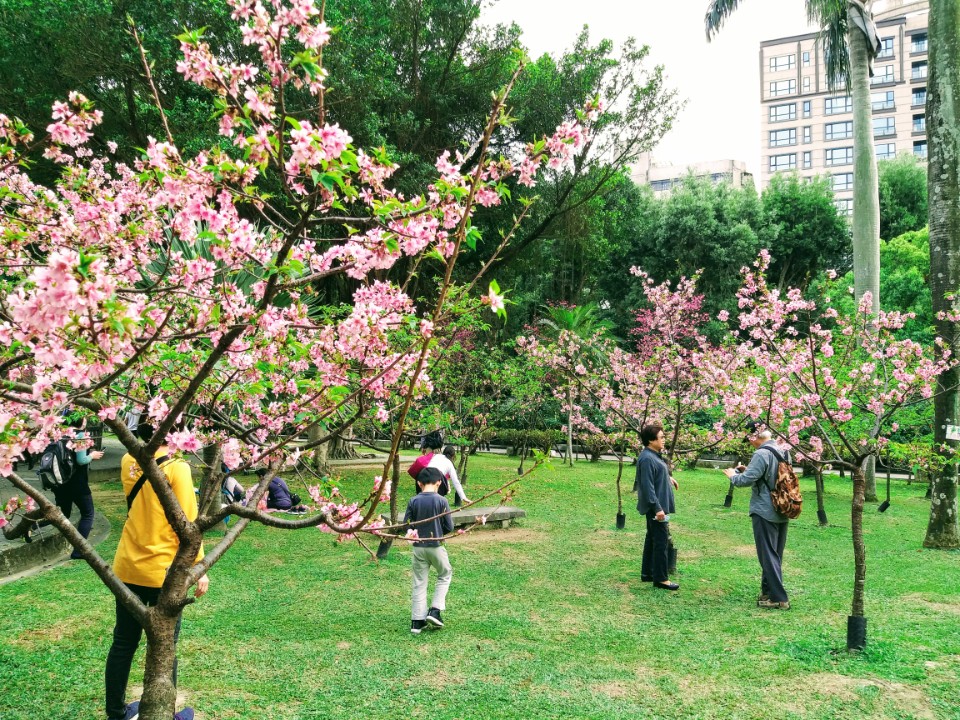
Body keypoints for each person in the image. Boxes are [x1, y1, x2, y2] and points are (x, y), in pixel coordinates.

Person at [107, 422, 205, 720]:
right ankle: (166, 713)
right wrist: (199, 566)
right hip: (163, 571)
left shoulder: (129, 460)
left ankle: (115, 712)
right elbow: (188, 522)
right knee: (166, 646)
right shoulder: (178, 467)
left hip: (127, 565)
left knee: (123, 642)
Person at [722, 422, 791, 610]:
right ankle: (768, 593)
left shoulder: (761, 453)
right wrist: (750, 470)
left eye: (749, 439)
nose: (750, 443)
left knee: (767, 555)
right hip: (783, 506)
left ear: (756, 436)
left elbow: (744, 481)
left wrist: (732, 475)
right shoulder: (783, 450)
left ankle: (779, 598)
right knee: (775, 554)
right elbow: (772, 476)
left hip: (764, 509)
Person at [33, 415, 104, 554]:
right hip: (77, 483)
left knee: (63, 512)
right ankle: (79, 551)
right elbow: (81, 460)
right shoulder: (80, 435)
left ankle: (34, 525)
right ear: (81, 421)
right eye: (84, 418)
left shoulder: (60, 434)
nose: (86, 421)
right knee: (88, 514)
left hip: (59, 482)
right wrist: (93, 455)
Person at [404, 467, 454, 634]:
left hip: (418, 548)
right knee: (445, 573)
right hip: (436, 545)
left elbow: (407, 525)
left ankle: (417, 622)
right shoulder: (442, 501)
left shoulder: (413, 501)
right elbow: (449, 526)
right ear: (439, 482)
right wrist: (438, 533)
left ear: (419, 483)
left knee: (419, 582)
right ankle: (435, 610)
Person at [635, 424, 680, 591]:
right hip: (656, 507)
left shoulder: (653, 455)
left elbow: (657, 472)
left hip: (658, 505)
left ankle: (648, 572)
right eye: (661, 437)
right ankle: (661, 578)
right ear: (651, 440)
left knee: (652, 538)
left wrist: (668, 478)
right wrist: (658, 508)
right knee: (660, 541)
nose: (664, 440)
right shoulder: (647, 458)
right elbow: (647, 486)